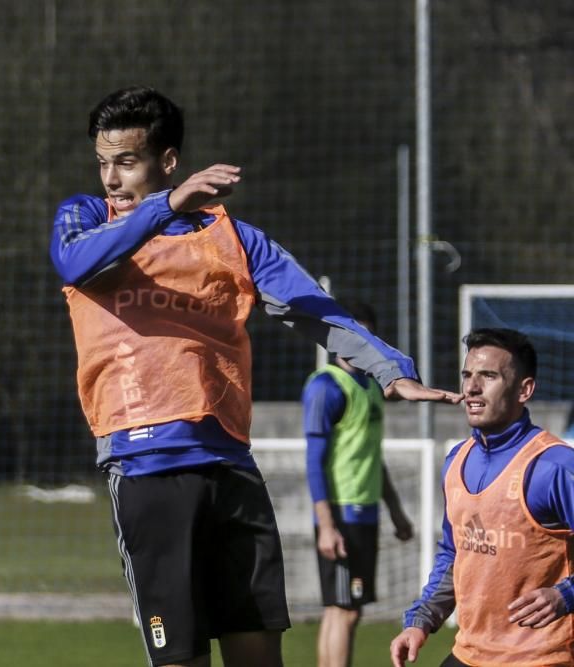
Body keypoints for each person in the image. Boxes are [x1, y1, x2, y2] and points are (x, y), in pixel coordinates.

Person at [50, 85, 460, 667]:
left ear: (167, 161)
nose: (111, 178)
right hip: (148, 468)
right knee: (181, 658)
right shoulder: (86, 219)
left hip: (232, 468)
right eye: (103, 163)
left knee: (259, 653)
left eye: (127, 161)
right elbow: (72, 261)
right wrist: (163, 207)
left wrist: (388, 370)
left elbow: (313, 305)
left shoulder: (234, 238)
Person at [390, 328, 574, 667]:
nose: (472, 388)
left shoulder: (555, 466)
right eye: (467, 375)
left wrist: (566, 594)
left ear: (524, 390)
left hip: (539, 658)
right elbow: (453, 552)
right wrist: (421, 621)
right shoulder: (457, 459)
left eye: (488, 376)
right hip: (470, 653)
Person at [302, 301, 414, 667]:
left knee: (347, 608)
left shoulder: (370, 387)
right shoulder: (326, 387)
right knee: (343, 609)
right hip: (341, 513)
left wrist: (395, 510)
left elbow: (371, 457)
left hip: (365, 512)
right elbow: (314, 461)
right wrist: (327, 525)